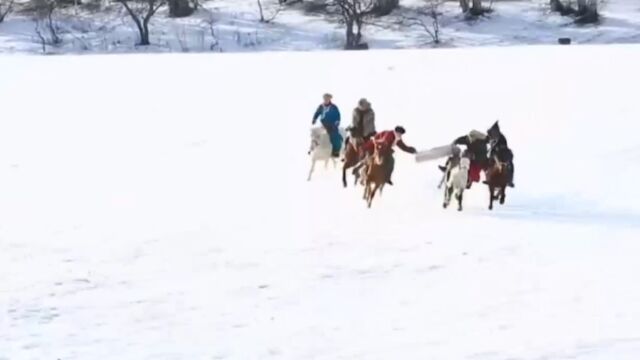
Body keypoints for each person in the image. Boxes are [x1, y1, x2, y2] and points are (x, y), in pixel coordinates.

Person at [312, 93, 342, 157]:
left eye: (327, 98)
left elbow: (338, 116)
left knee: (335, 136)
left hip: (332, 125)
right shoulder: (321, 106)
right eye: (325, 98)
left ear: (330, 99)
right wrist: (314, 119)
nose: (326, 100)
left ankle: (335, 151)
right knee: (314, 133)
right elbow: (317, 113)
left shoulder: (334, 107)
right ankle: (313, 148)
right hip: (323, 124)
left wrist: (336, 123)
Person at [486, 121, 515, 187]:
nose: (491, 136)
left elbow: (498, 144)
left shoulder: (500, 137)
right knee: (488, 163)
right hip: (494, 155)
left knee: (510, 164)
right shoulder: (492, 139)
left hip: (503, 153)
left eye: (491, 134)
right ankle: (489, 178)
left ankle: (510, 180)